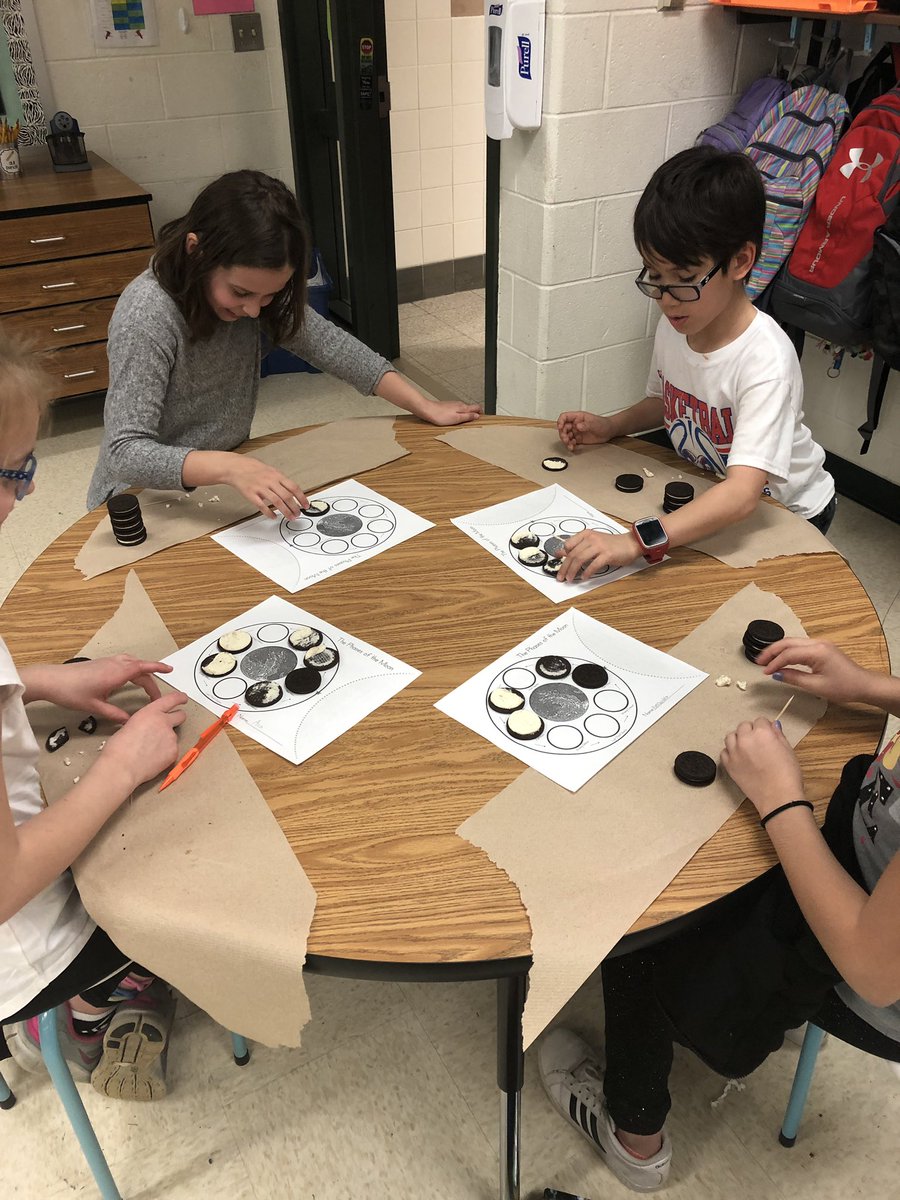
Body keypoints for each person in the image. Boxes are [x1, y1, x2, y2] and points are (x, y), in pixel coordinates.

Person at [539, 637, 900, 1191]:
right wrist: (871, 688)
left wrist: (779, 799)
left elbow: (872, 970)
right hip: (866, 863)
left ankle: (635, 1139)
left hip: (868, 975)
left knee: (644, 931)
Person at [0, 331, 189, 1099]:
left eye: (27, 468)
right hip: (26, 946)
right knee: (188, 865)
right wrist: (120, 765)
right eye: (9, 472)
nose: (25, 493)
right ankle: (88, 1006)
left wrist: (43, 681)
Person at [87, 170, 481, 517]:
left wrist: (422, 403)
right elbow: (125, 452)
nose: (254, 310)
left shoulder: (256, 300)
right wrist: (230, 468)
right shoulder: (147, 314)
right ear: (196, 251)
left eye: (269, 295)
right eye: (241, 292)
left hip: (217, 485)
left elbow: (334, 348)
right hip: (139, 499)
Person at [554, 146, 836, 584]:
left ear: (740, 261)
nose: (667, 299)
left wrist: (636, 541)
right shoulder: (679, 323)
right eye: (655, 276)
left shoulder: (765, 359)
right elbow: (665, 401)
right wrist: (611, 426)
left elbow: (743, 495)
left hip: (788, 511)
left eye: (685, 279)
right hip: (720, 491)